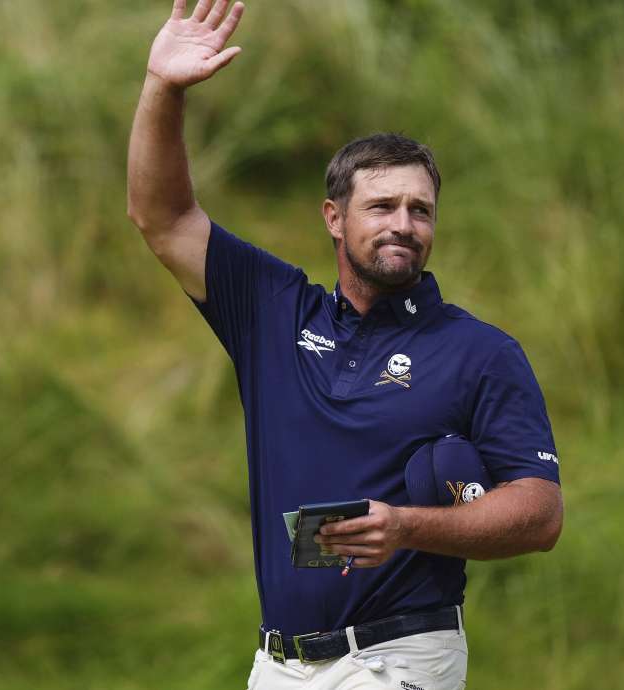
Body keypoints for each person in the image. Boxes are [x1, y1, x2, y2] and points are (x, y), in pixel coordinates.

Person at [126, 2, 564, 688]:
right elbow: (163, 216)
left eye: (421, 210)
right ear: (334, 218)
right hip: (278, 665)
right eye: (382, 206)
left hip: (397, 658)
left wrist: (408, 527)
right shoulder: (271, 311)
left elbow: (540, 513)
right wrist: (162, 87)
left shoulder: (480, 351)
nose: (405, 225)